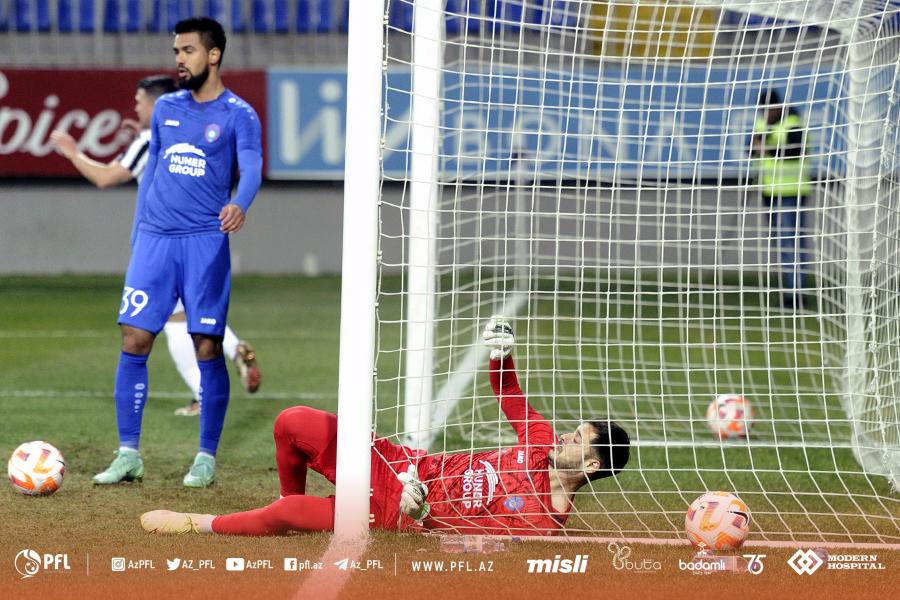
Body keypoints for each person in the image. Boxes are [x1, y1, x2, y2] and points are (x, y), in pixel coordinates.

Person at [140, 317, 631, 536]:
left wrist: (423, 515)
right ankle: (293, 499)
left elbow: (474, 540)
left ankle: (200, 524)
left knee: (286, 515)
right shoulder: (540, 442)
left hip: (395, 511)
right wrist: (502, 355)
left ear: (591, 465)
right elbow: (510, 395)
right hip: (398, 462)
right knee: (292, 422)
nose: (563, 436)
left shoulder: (543, 523)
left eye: (576, 439)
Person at [91, 16, 263, 488]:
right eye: (176, 52)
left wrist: (240, 203)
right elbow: (153, 174)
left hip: (204, 242)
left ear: (214, 54)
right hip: (155, 241)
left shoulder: (239, 114)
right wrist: (139, 233)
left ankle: (205, 456)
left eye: (188, 51)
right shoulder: (166, 107)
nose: (179, 60)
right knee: (134, 339)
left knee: (206, 344)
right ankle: (128, 453)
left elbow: (251, 168)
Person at [50, 76, 262, 419]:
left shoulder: (148, 140)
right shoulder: (184, 134)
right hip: (199, 243)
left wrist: (72, 152)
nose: (135, 108)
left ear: (156, 104)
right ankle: (234, 350)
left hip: (159, 246)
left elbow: (105, 177)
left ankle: (204, 394)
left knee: (173, 322)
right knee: (193, 315)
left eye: (139, 102)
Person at [751, 88, 813, 310]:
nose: (766, 114)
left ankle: (796, 293)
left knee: (792, 242)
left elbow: (794, 152)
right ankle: (790, 288)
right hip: (769, 191)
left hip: (791, 192)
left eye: (769, 110)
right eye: (763, 110)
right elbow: (751, 148)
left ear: (778, 107)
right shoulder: (762, 124)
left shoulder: (793, 122)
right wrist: (759, 144)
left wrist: (767, 149)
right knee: (780, 242)